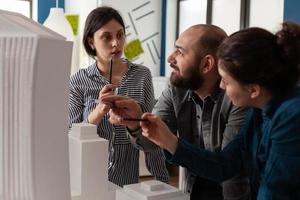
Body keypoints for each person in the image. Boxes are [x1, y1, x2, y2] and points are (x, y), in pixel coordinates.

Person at [133, 22, 300, 199]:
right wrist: (169, 141)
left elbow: (275, 191)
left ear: (253, 89)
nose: (221, 85)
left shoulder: (292, 116)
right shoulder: (257, 110)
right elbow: (224, 165)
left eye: (226, 82)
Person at [103, 24, 250, 199]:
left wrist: (171, 142)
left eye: (180, 52)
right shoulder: (176, 88)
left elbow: (225, 168)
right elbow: (152, 142)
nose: (170, 58)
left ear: (206, 64)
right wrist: (136, 121)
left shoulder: (238, 98)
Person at [68, 6, 169, 187]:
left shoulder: (142, 75)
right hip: (88, 178)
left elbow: (151, 132)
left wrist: (161, 180)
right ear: (91, 41)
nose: (116, 43)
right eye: (107, 37)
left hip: (127, 182)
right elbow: (70, 135)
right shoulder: (78, 80)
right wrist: (99, 111)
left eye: (120, 35)